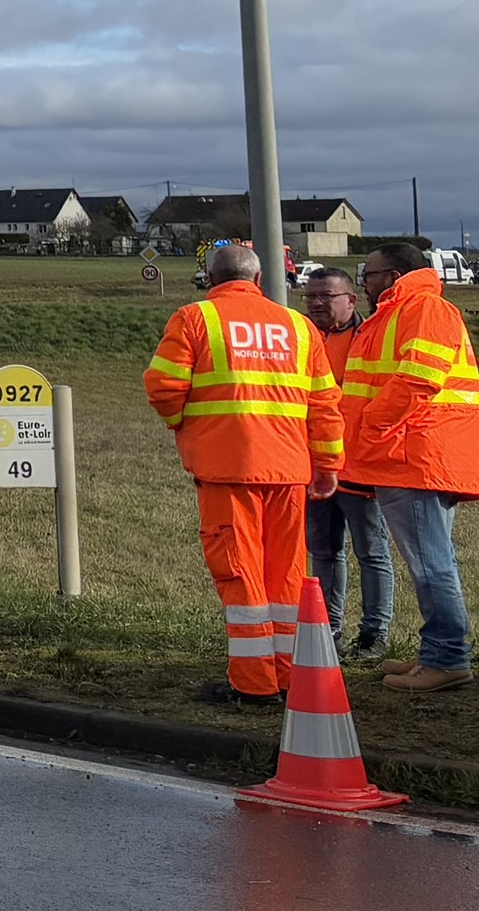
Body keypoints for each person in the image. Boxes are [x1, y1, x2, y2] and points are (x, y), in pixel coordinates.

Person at [145, 244, 343, 705]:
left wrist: (185, 425)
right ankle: (290, 675)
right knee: (286, 574)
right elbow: (325, 405)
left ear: (212, 280)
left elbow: (162, 387)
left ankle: (253, 683)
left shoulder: (196, 319)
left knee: (241, 574)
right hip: (290, 470)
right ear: (257, 281)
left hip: (227, 468)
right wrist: (328, 465)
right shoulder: (299, 326)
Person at [344, 243, 479, 692]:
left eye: (367, 274)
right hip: (409, 454)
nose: (364, 282)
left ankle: (446, 657)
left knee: (432, 564)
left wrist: (372, 427)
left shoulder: (424, 309)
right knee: (431, 561)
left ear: (392, 275)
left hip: (412, 456)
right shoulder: (406, 310)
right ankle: (437, 653)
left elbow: (418, 380)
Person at [301, 267, 395, 659]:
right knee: (323, 552)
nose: (318, 303)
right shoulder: (300, 336)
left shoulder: (371, 337)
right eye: (311, 297)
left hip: (360, 467)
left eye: (327, 296)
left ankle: (374, 634)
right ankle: (329, 631)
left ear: (350, 300)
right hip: (314, 465)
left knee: (371, 552)